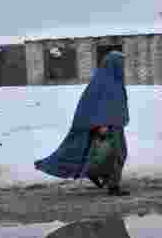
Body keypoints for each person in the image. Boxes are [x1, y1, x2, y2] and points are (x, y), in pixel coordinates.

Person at [35, 51, 130, 196]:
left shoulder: (113, 80)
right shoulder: (104, 81)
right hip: (107, 125)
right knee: (118, 155)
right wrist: (101, 124)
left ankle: (102, 177)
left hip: (114, 123)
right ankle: (112, 185)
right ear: (113, 64)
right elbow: (96, 103)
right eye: (120, 63)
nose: (122, 67)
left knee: (111, 155)